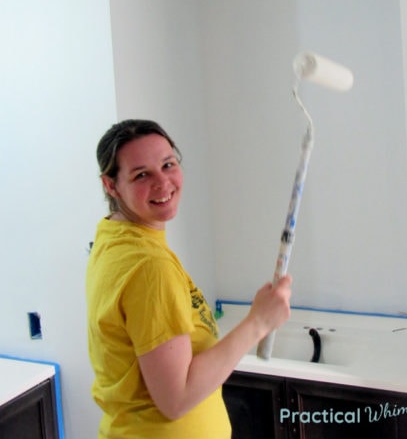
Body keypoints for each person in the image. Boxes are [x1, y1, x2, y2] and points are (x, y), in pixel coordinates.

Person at [86, 119, 291, 438]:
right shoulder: (148, 266)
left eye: (168, 164)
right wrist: (258, 323)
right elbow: (176, 398)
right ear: (111, 186)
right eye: (142, 174)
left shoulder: (113, 237)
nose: (162, 182)